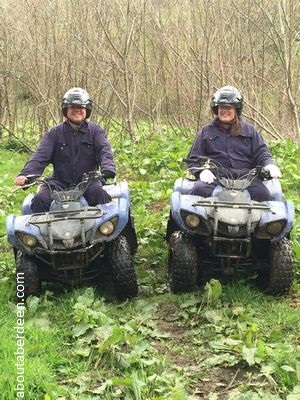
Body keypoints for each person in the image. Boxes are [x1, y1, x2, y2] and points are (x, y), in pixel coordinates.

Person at [15, 87, 116, 212]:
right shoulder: (54, 133)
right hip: (59, 182)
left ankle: (105, 231)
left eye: (81, 107)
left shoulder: (95, 131)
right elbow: (40, 157)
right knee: (40, 199)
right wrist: (26, 175)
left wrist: (108, 168)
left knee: (99, 195)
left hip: (88, 182)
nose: (77, 110)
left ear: (87, 110)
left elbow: (104, 151)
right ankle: (43, 231)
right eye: (73, 107)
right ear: (66, 109)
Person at [187, 85, 281, 202]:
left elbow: (262, 153)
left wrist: (269, 164)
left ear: (236, 109)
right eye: (221, 107)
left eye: (228, 107)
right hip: (215, 178)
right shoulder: (205, 132)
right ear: (217, 109)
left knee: (265, 197)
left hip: (247, 179)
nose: (224, 111)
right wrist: (202, 170)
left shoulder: (250, 131)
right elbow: (194, 157)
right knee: (198, 192)